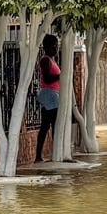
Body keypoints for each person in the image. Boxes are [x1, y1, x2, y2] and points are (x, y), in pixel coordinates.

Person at [34, 33, 63, 162]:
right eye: (54, 46)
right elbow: (47, 78)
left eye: (57, 45)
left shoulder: (52, 60)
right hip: (49, 95)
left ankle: (42, 155)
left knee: (47, 126)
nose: (56, 48)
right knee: (51, 125)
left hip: (53, 95)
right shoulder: (46, 60)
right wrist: (61, 77)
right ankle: (48, 154)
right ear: (48, 47)